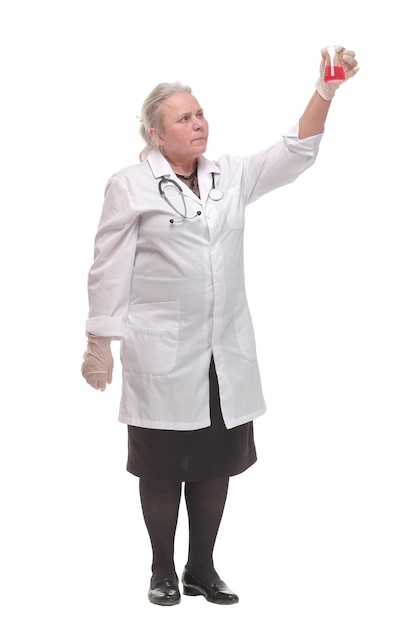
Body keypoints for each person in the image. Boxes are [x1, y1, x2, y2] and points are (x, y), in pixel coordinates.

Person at [81, 46, 359, 606]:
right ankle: (161, 570)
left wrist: (325, 91)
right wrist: (99, 341)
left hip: (222, 354)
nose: (198, 122)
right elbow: (108, 264)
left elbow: (293, 152)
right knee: (160, 469)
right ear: (157, 135)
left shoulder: (229, 176)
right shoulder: (130, 185)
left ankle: (201, 568)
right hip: (160, 354)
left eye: (200, 112)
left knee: (214, 467)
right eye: (183, 117)